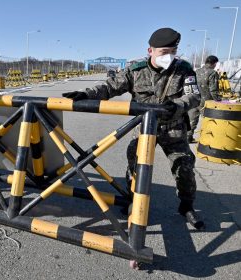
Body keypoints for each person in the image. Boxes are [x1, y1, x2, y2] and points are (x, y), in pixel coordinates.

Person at [62, 27, 205, 230]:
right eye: (164, 53)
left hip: (173, 128)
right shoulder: (135, 70)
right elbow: (110, 87)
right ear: (150, 51)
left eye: (173, 52)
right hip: (145, 128)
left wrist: (178, 105)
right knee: (134, 166)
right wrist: (86, 94)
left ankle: (186, 205)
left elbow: (194, 96)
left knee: (184, 167)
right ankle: (132, 201)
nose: (169, 57)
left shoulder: (183, 69)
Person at [187, 55, 220, 143]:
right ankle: (206, 141)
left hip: (194, 100)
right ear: (214, 63)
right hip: (206, 102)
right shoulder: (212, 73)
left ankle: (188, 137)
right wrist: (218, 100)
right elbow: (213, 89)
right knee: (208, 121)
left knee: (192, 120)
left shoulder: (196, 71)